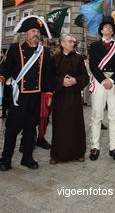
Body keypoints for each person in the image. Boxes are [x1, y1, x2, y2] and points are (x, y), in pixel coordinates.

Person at [0, 16, 53, 171]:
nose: (36, 34)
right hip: (18, 97)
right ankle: (6, 159)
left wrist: (49, 93)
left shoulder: (44, 52)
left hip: (36, 97)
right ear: (26, 33)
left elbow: (48, 75)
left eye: (37, 31)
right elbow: (7, 68)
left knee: (31, 129)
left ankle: (27, 158)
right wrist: (1, 77)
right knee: (12, 129)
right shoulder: (15, 48)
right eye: (32, 31)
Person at [89, 16, 115, 162]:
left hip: (114, 83)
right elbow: (92, 65)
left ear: (113, 30)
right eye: (105, 27)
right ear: (101, 30)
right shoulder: (94, 46)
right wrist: (103, 80)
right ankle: (95, 147)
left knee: (114, 116)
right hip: (99, 82)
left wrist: (111, 80)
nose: (108, 29)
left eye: (110, 27)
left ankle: (113, 148)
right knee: (97, 116)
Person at [50, 33, 89, 164]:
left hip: (74, 97)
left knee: (75, 125)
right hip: (60, 98)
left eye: (73, 42)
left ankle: (78, 153)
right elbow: (49, 77)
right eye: (69, 42)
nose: (73, 44)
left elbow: (85, 77)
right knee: (59, 126)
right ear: (62, 44)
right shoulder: (54, 58)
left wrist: (75, 80)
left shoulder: (78, 58)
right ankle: (56, 155)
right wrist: (61, 81)